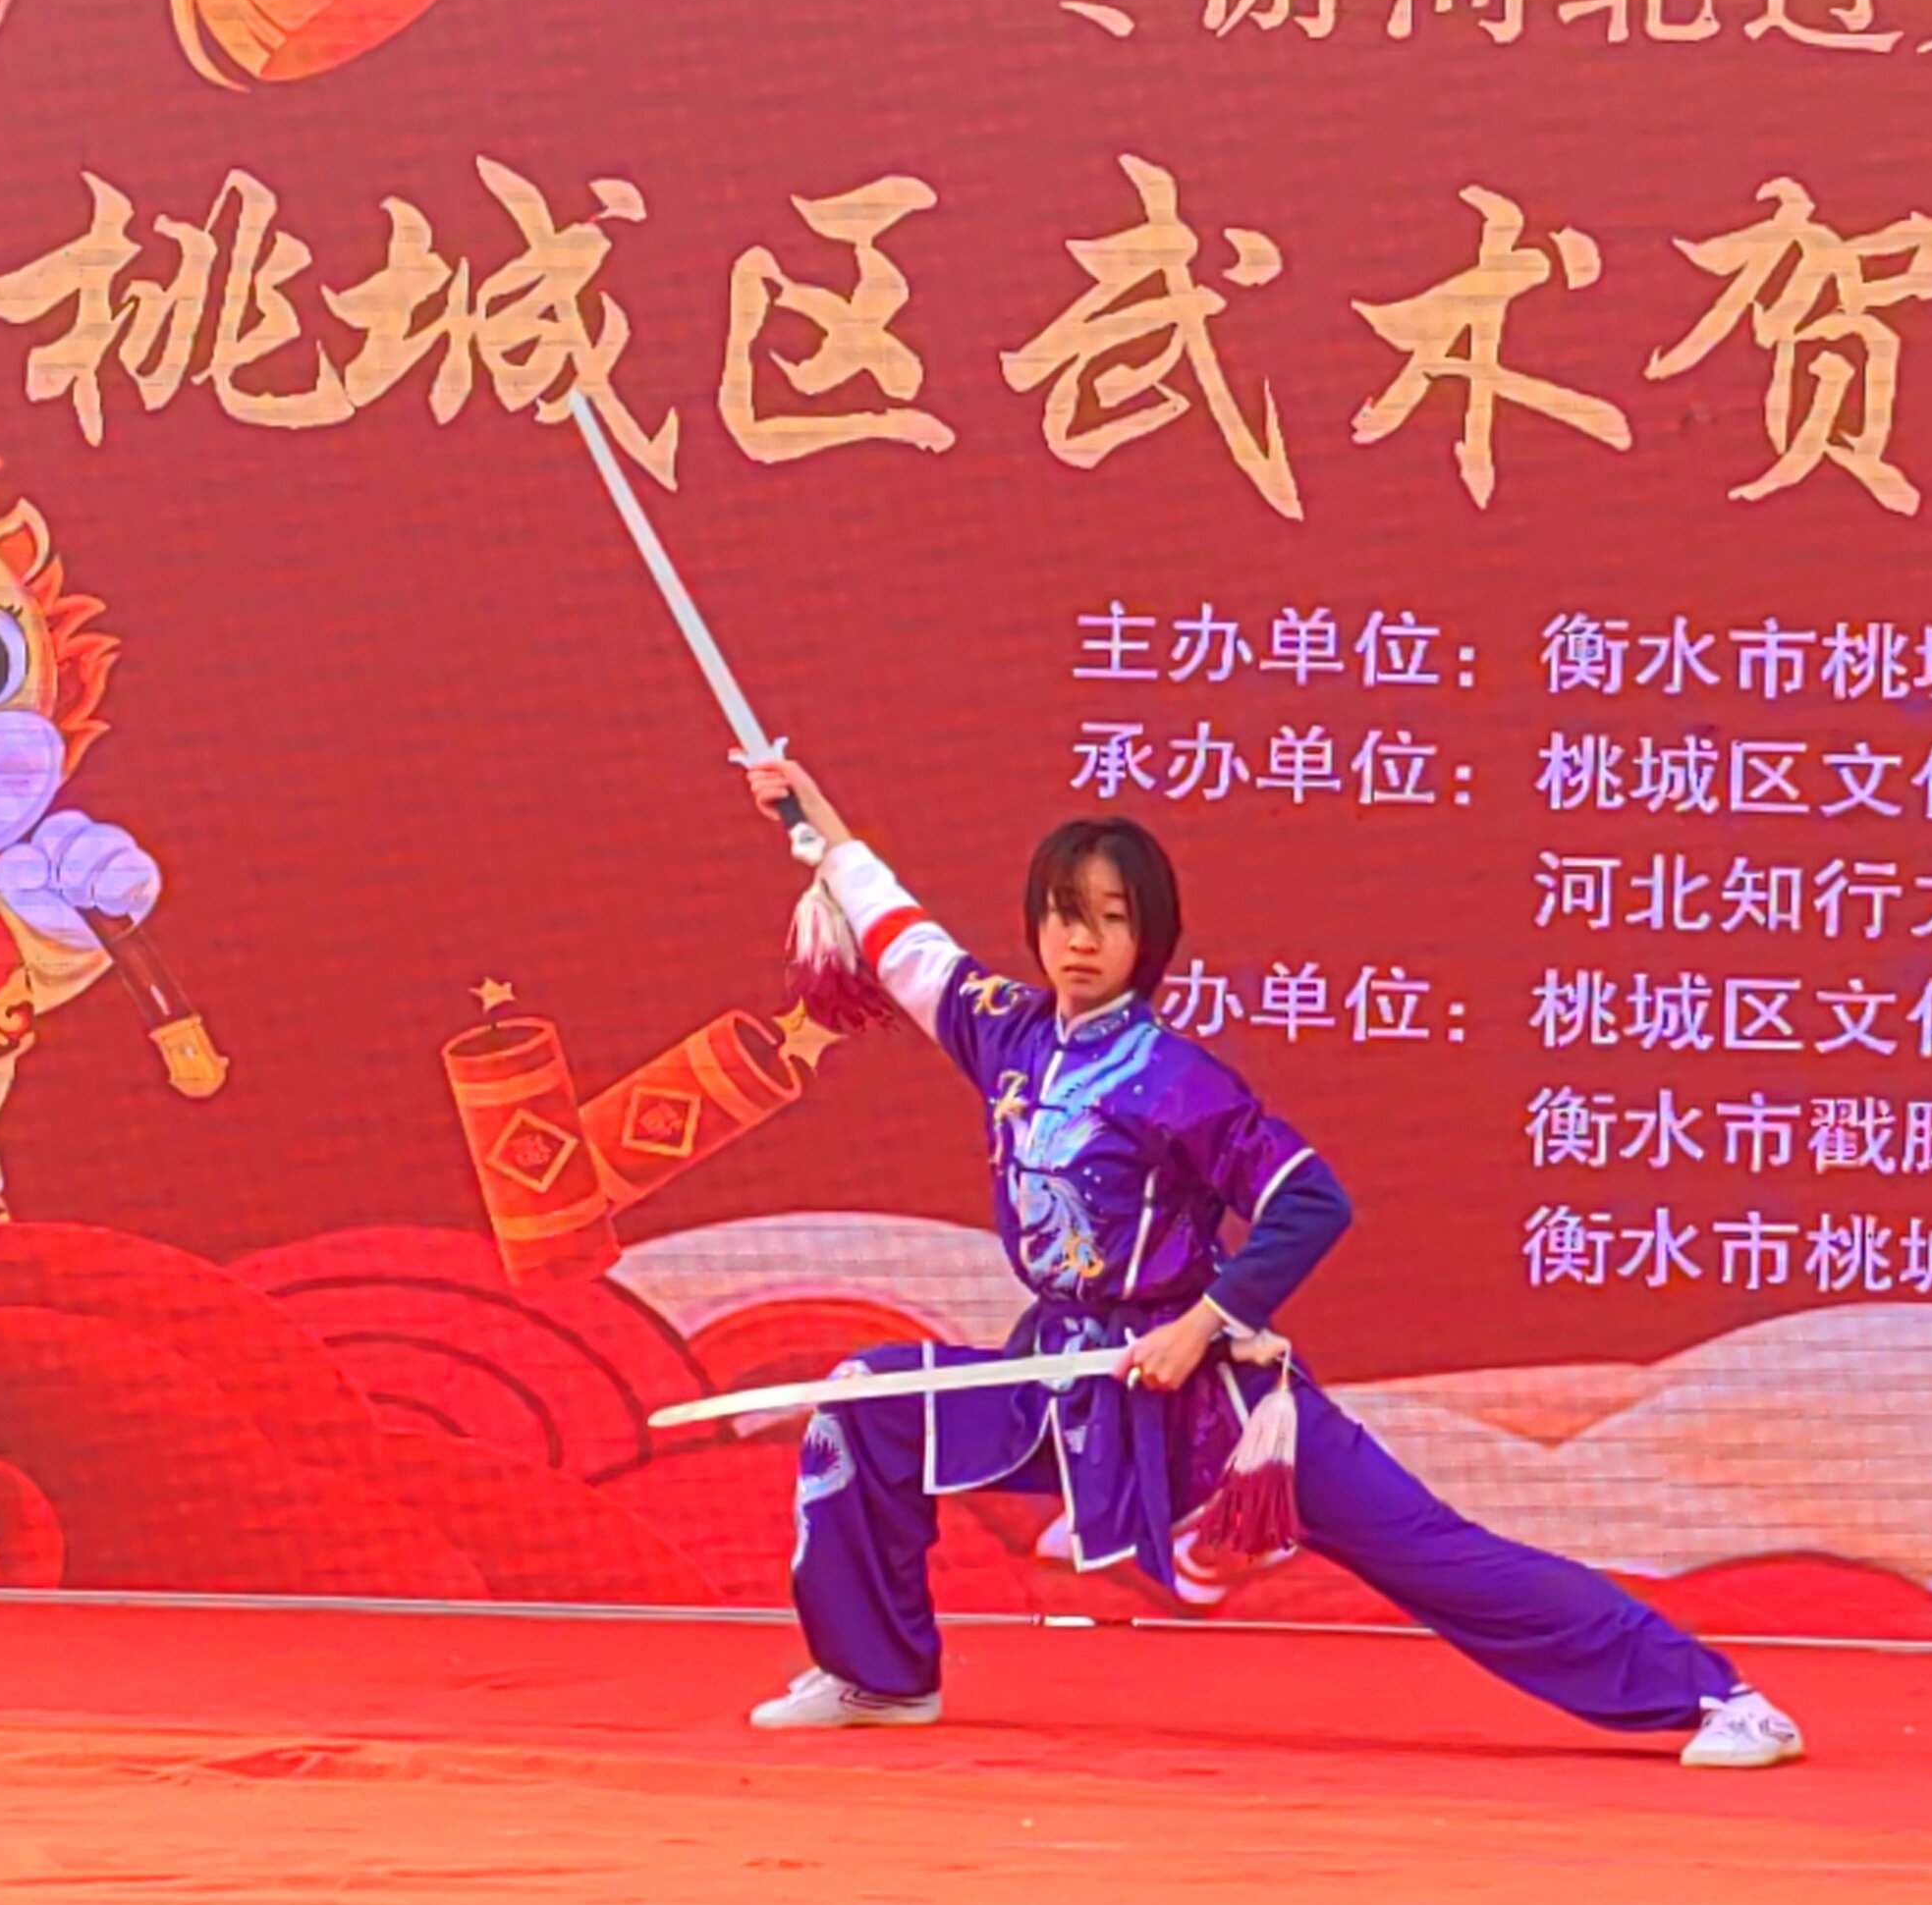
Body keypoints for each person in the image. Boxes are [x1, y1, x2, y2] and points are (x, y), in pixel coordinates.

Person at [735, 756, 1807, 1770]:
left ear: (1150, 940)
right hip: (1062, 1380)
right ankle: (877, 1674)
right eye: (1065, 915)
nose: (1082, 940)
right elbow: (902, 936)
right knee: (863, 1404)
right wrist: (811, 819)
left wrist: (1202, 1325)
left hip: (1215, 1406)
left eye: (1113, 919)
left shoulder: (1177, 1078)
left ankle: (1717, 1696)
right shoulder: (1005, 1034)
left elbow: (1309, 1202)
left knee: (1432, 1553)